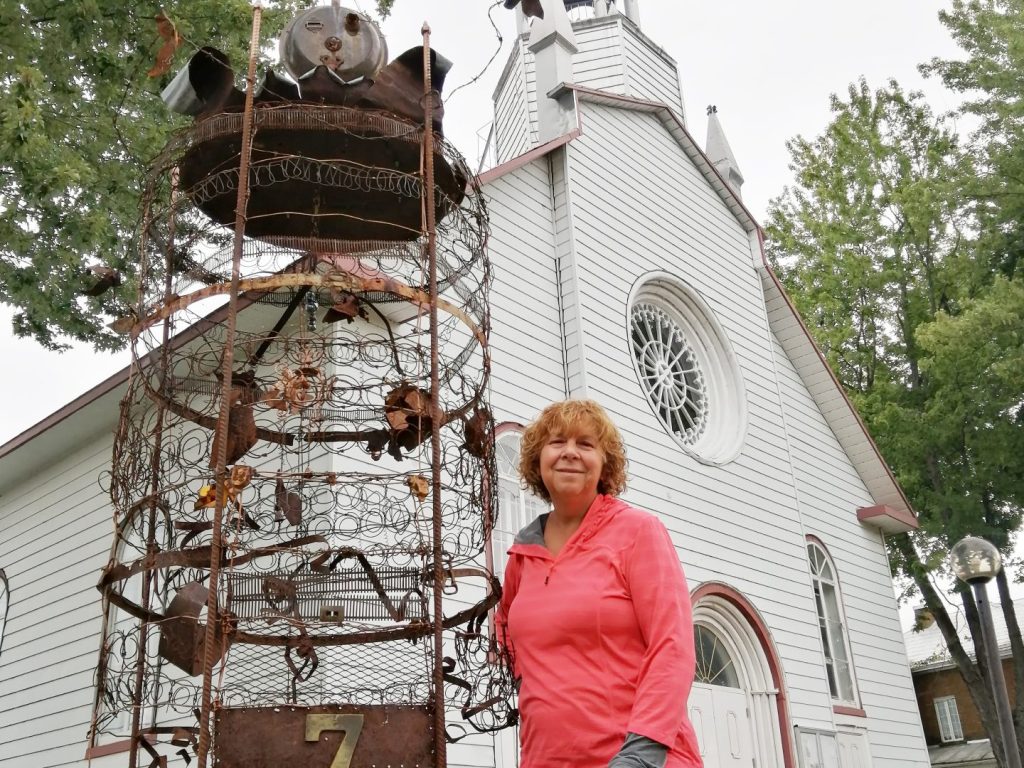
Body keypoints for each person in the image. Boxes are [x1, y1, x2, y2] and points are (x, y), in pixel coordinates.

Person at [497, 399, 702, 768]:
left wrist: (642, 752)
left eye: (585, 444)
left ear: (604, 463)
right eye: (557, 442)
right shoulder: (523, 554)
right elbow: (508, 633)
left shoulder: (638, 532)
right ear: (536, 459)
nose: (570, 453)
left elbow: (673, 646)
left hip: (636, 759)